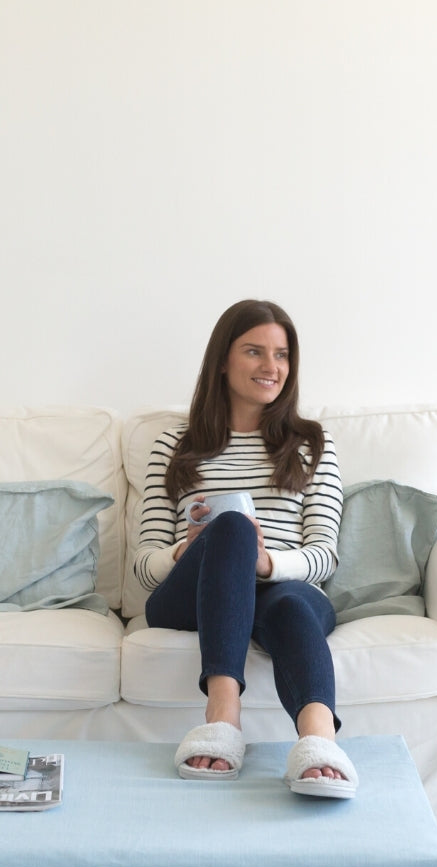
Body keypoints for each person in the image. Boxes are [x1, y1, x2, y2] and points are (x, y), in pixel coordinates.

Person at [132, 299, 356, 797]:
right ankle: (223, 716)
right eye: (254, 351)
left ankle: (319, 746)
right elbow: (145, 568)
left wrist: (268, 562)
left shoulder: (312, 444)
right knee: (231, 526)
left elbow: (324, 553)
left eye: (281, 355)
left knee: (292, 604)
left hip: (281, 588)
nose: (271, 367)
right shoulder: (175, 445)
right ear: (222, 361)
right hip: (192, 592)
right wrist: (184, 551)